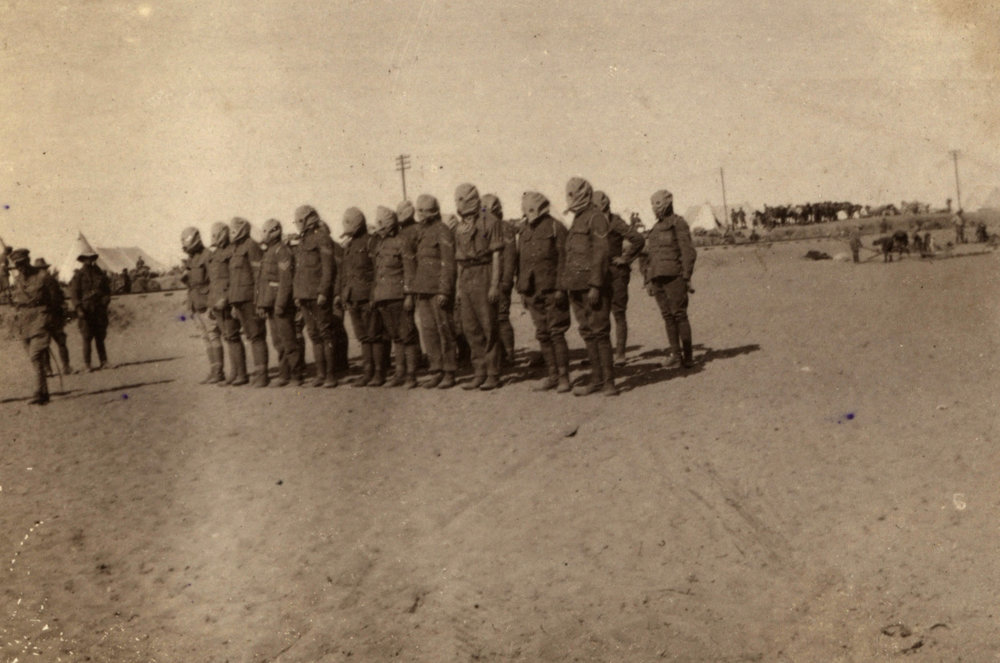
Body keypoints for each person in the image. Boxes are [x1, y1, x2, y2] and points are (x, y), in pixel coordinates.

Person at [563, 177, 617, 396]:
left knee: (600, 333)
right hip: (576, 287)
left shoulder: (596, 218)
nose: (570, 198)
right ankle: (596, 380)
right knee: (587, 333)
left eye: (573, 193)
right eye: (568, 194)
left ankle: (609, 383)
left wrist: (595, 285)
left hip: (593, 288)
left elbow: (601, 253)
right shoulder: (578, 219)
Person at [517, 191, 571, 392]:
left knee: (557, 333)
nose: (526, 211)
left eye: (530, 207)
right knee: (542, 334)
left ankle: (564, 377)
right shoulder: (523, 230)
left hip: (552, 289)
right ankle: (552, 375)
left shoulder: (556, 227)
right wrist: (522, 289)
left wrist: (560, 288)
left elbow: (564, 260)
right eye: (525, 207)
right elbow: (521, 261)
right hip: (532, 290)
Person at [453, 183, 504, 390]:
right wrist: (458, 288)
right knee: (470, 328)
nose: (460, 203)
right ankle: (479, 371)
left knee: (488, 327)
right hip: (466, 277)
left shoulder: (490, 221)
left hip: (484, 273)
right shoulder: (459, 227)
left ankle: (493, 373)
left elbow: (497, 255)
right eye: (458, 199)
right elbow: (458, 261)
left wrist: (494, 285)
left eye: (464, 199)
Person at [407, 194, 457, 389]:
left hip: (438, 291)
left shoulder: (443, 230)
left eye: (422, 210)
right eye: (418, 210)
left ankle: (449, 372)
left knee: (445, 331)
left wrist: (445, 290)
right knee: (429, 333)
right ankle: (436, 370)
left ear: (433, 211)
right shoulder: (419, 232)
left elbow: (448, 263)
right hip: (423, 290)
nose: (419, 214)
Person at [644, 189, 697, 369]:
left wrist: (686, 276)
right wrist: (648, 280)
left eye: (657, 203)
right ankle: (676, 355)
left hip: (674, 278)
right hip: (657, 279)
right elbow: (648, 256)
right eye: (652, 204)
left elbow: (688, 252)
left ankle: (688, 357)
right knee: (667, 317)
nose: (654, 207)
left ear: (668, 202)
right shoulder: (654, 228)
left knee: (679, 315)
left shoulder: (678, 224)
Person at [592, 190, 645, 365]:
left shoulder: (615, 222)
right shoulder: (592, 224)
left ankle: (620, 354)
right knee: (600, 315)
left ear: (604, 204)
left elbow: (638, 239)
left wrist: (626, 258)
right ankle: (603, 355)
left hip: (617, 274)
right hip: (599, 274)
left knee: (618, 313)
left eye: (595, 205)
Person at [335, 207, 384, 387]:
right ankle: (367, 372)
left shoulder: (371, 242)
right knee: (363, 337)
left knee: (374, 336)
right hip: (353, 297)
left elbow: (378, 271)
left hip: (368, 297)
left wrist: (374, 296)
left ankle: (378, 373)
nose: (345, 225)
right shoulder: (349, 245)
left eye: (348, 221)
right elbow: (346, 273)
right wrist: (343, 295)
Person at [372, 206, 420, 388]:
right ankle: (399, 373)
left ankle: (411, 375)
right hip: (384, 296)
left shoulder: (402, 242)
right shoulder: (380, 244)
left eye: (381, 223)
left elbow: (410, 271)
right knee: (396, 337)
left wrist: (409, 295)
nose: (378, 226)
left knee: (407, 336)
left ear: (389, 224)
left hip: (399, 297)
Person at [292, 205, 338, 388]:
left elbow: (328, 269)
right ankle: (320, 374)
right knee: (314, 335)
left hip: (318, 296)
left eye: (299, 220)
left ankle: (330, 375)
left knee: (326, 335)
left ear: (308, 220)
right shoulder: (303, 241)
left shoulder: (322, 238)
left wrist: (323, 292)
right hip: (304, 296)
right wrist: (297, 294)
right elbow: (299, 271)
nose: (297, 225)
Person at [255, 218, 301, 387]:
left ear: (275, 231)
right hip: (270, 304)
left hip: (280, 305)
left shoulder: (283, 252)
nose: (263, 234)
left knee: (288, 341)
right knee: (278, 342)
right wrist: (261, 304)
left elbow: (286, 281)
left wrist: (280, 304)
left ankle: (296, 374)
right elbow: (262, 282)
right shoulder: (268, 252)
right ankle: (284, 373)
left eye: (266, 231)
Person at [9, 249, 57, 404]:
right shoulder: (17, 281)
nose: (21, 267)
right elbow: (15, 301)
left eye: (23, 263)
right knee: (35, 359)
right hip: (24, 322)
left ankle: (38, 391)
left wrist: (52, 321)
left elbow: (55, 301)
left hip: (41, 319)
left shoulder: (43, 277)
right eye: (17, 265)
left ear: (28, 261)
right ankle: (44, 393)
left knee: (35, 355)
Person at [180, 226, 225, 383]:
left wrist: (213, 303)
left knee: (213, 335)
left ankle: (219, 371)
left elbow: (214, 281)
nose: (184, 246)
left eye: (186, 242)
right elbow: (190, 284)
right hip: (195, 303)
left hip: (206, 302)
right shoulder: (191, 259)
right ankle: (213, 370)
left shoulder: (208, 256)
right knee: (205, 337)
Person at [229, 217, 268, 387]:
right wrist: (233, 303)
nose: (232, 231)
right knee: (251, 337)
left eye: (234, 228)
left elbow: (258, 275)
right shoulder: (236, 249)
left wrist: (259, 301)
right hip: (239, 300)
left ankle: (262, 375)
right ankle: (248, 374)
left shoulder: (251, 246)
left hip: (250, 300)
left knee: (257, 336)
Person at [207, 221, 247, 385]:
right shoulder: (215, 254)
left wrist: (228, 299)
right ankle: (233, 373)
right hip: (216, 303)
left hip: (227, 302)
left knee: (233, 336)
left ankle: (241, 374)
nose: (214, 237)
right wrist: (211, 303)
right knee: (227, 338)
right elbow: (213, 281)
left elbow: (234, 279)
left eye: (216, 234)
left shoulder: (232, 251)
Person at [483, 194, 518, 368]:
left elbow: (510, 256)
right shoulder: (486, 227)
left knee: (502, 318)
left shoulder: (505, 228)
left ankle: (510, 354)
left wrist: (505, 281)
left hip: (501, 281)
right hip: (489, 281)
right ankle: (500, 355)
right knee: (491, 319)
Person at [69, 238, 112, 372]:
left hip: (99, 309)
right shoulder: (78, 276)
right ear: (82, 260)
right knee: (87, 338)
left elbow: (107, 291)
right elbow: (74, 295)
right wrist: (79, 308)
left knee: (100, 337)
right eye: (86, 259)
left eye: (91, 258)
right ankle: (87, 365)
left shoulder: (100, 274)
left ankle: (104, 362)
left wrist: (106, 300)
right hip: (86, 310)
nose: (89, 261)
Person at [34, 258, 72, 376]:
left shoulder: (35, 281)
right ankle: (65, 367)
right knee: (61, 341)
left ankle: (48, 369)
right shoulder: (50, 279)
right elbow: (57, 297)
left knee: (44, 344)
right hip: (54, 315)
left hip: (41, 316)